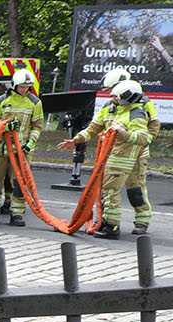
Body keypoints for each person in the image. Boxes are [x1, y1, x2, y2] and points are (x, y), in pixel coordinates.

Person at [61, 78, 154, 238]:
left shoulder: (137, 112)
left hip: (127, 158)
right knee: (108, 193)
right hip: (113, 158)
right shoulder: (110, 108)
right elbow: (93, 128)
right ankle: (106, 222)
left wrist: (124, 134)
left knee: (129, 191)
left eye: (116, 94)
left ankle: (120, 225)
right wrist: (76, 140)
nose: (113, 98)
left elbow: (144, 136)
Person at [0, 67, 41, 226]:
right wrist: (5, 126)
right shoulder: (1, 101)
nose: (24, 89)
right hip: (1, 147)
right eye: (21, 87)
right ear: (14, 85)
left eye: (27, 87)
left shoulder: (35, 103)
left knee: (18, 181)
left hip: (22, 149)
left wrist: (31, 142)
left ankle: (16, 214)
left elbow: (37, 126)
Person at [103, 66, 157, 217]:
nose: (110, 93)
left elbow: (153, 127)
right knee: (108, 188)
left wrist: (144, 144)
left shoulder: (144, 104)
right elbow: (97, 125)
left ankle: (142, 220)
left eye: (112, 89)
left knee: (135, 188)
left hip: (138, 154)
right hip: (115, 154)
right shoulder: (110, 105)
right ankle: (104, 220)